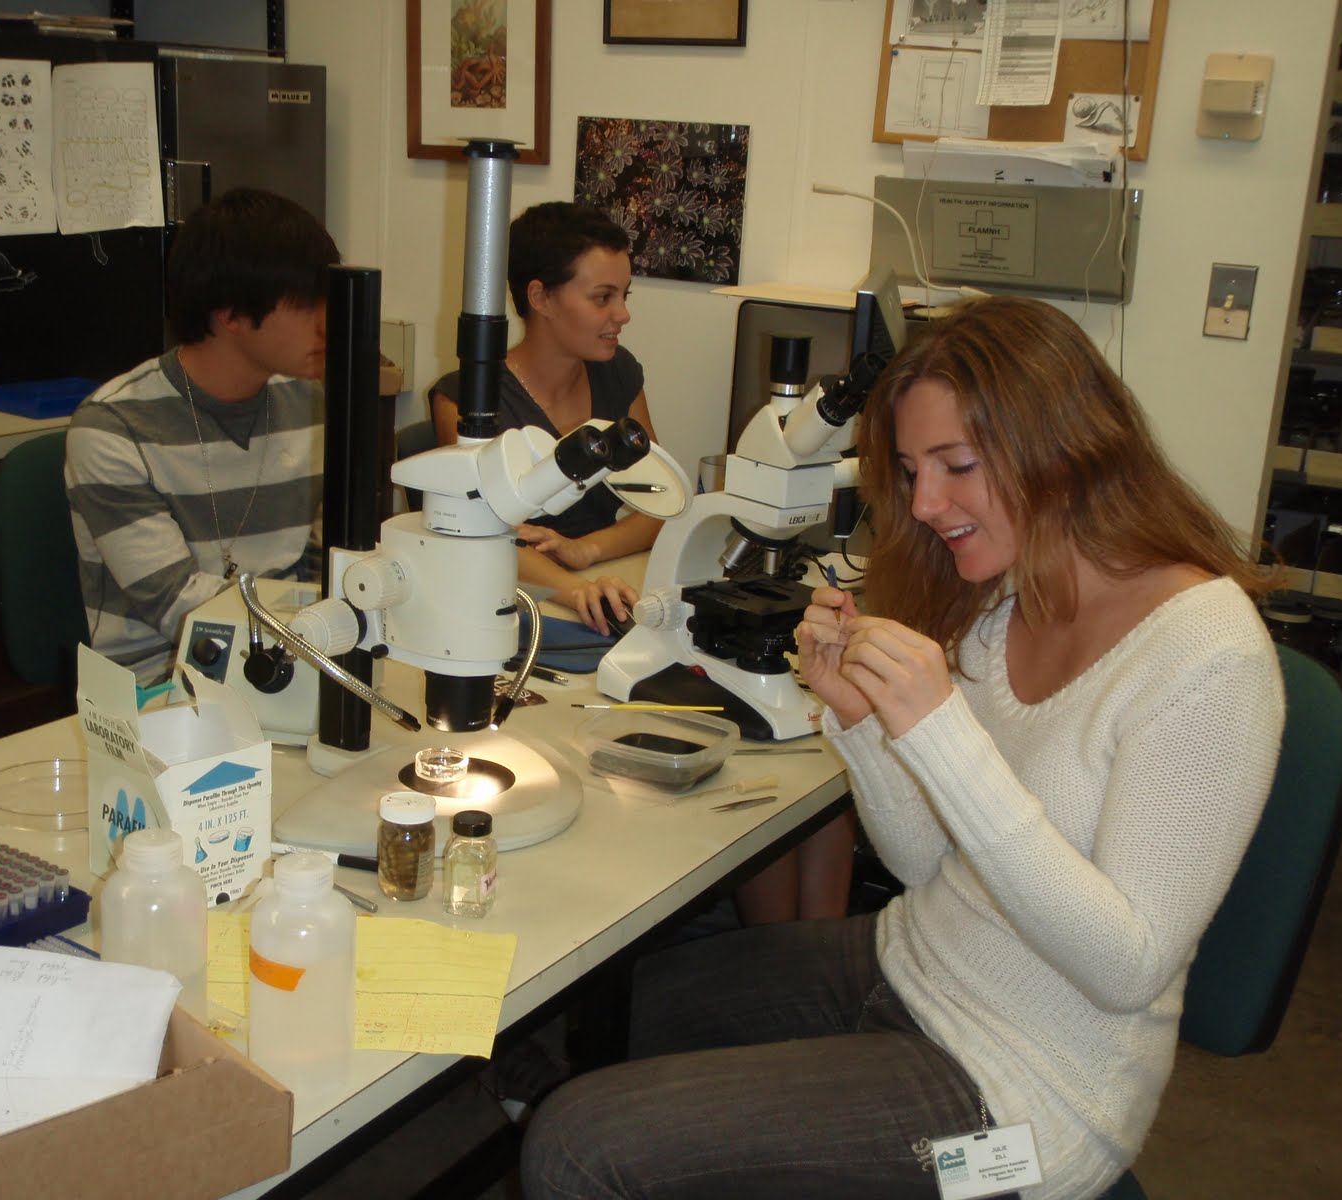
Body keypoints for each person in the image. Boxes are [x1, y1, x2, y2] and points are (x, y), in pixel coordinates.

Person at [521, 296, 1285, 1198]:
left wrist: (939, 731)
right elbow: (926, 866)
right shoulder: (1009, 600)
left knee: (579, 1146)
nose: (924, 505)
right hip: (918, 962)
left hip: (1028, 1107)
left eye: (956, 466)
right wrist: (863, 725)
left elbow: (1127, 967)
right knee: (631, 1001)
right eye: (915, 471)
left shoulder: (1209, 658)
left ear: (1067, 445)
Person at [66, 188, 341, 685]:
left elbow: (329, 567)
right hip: (163, 687)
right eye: (306, 305)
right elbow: (177, 607)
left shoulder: (312, 403)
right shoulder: (114, 429)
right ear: (230, 314)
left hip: (297, 660)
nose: (327, 323)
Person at [429, 202, 662, 634]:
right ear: (540, 298)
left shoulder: (618, 373)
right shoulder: (468, 400)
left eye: (624, 295)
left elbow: (659, 505)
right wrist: (574, 590)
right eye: (602, 297)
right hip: (508, 607)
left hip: (602, 584)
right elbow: (486, 538)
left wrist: (583, 551)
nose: (623, 314)